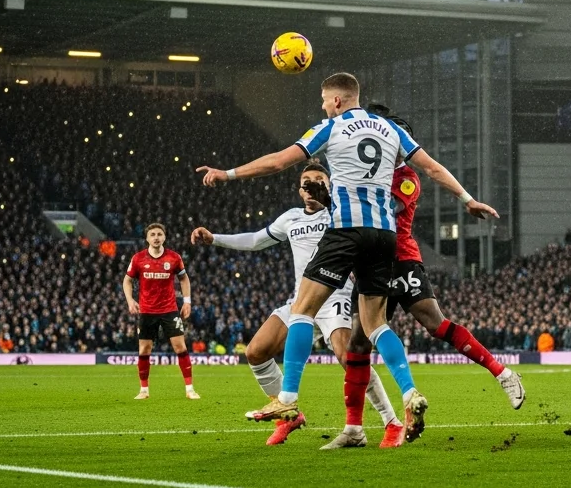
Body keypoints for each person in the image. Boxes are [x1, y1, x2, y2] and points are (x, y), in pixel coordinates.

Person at [197, 72, 497, 445]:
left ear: (337, 100)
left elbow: (278, 162)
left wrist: (227, 173)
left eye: (324, 100)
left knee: (302, 310)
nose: (323, 106)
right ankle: (407, 393)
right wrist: (468, 200)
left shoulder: (331, 126)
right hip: (385, 236)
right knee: (374, 325)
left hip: (346, 230)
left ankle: (287, 399)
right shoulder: (390, 131)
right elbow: (432, 168)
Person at [191, 163, 404, 447]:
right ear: (299, 189)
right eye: (307, 181)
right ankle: (288, 415)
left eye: (319, 180)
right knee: (256, 351)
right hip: (300, 301)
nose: (312, 185)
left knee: (349, 358)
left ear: (330, 186)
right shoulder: (291, 218)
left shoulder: (341, 213)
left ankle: (392, 422)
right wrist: (215, 238)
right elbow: (256, 240)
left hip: (335, 298)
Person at [341, 104, 523, 420]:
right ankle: (357, 427)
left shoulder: (407, 177)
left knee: (434, 324)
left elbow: (386, 208)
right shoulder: (373, 171)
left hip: (400, 260)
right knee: (357, 344)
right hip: (370, 262)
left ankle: (502, 373)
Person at [123, 223, 198, 400]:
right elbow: (127, 281)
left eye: (159, 234)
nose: (156, 237)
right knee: (144, 350)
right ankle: (144, 390)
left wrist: (187, 301)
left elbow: (184, 279)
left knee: (180, 346)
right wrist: (130, 300)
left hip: (169, 310)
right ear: (147, 238)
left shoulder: (174, 258)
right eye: (152, 234)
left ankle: (190, 389)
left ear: (164, 237)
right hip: (147, 311)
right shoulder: (138, 258)